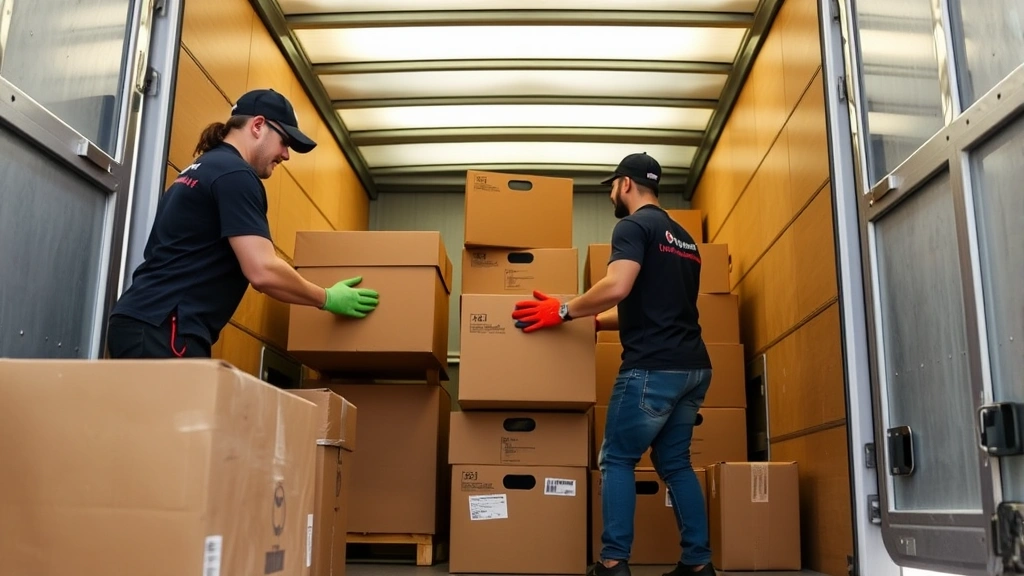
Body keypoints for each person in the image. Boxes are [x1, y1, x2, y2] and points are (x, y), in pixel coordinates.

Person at [512, 152, 714, 576]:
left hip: (653, 368)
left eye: (611, 185)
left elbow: (618, 285)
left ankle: (613, 561)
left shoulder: (632, 225)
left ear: (625, 184)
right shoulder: (684, 239)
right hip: (693, 367)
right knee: (675, 463)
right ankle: (698, 564)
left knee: (618, 458)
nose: (611, 193)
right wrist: (594, 319)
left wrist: (566, 310)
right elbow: (656, 305)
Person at [106, 88, 379, 359]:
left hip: (146, 320)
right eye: (285, 141)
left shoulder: (203, 168)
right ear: (258, 125)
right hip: (167, 327)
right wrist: (327, 298)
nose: (286, 155)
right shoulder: (236, 174)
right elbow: (262, 271)